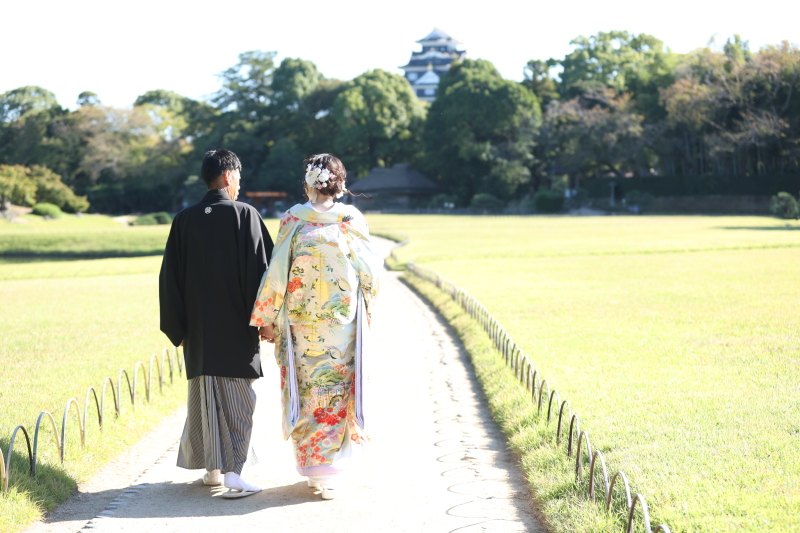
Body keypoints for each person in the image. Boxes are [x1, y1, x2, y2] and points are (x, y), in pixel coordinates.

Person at [251, 153, 380, 500]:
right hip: (341, 325)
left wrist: (267, 318)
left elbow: (278, 272)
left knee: (308, 393)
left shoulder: (294, 219)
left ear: (308, 181)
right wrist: (366, 304)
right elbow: (370, 272)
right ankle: (329, 469)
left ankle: (315, 467)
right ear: (340, 183)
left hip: (302, 324)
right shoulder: (350, 219)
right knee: (333, 393)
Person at [160, 149, 274, 499]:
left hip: (197, 331)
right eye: (238, 176)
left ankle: (212, 469)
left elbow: (169, 279)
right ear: (228, 176)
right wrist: (266, 322)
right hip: (236, 329)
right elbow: (263, 274)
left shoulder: (184, 219)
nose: (240, 183)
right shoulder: (245, 215)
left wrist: (177, 329)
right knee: (239, 403)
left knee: (204, 398)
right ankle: (234, 474)